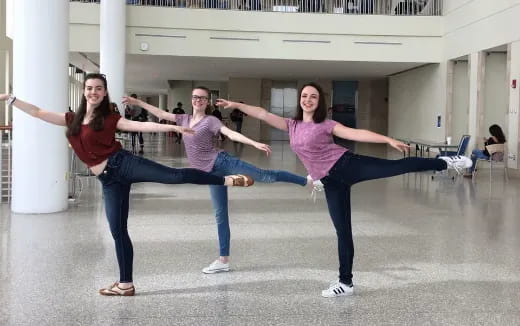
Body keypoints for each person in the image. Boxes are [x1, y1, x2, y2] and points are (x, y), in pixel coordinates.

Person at [0, 73, 254, 297]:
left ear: (104, 92)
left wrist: (171, 129)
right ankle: (125, 284)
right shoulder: (71, 119)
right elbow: (37, 112)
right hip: (108, 180)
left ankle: (225, 180)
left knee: (174, 176)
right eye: (89, 88)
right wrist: (12, 100)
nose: (93, 92)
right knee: (118, 230)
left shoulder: (109, 119)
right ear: (84, 91)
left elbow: (140, 125)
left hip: (124, 164)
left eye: (98, 88)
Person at [216, 82, 472, 297]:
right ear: (300, 100)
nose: (308, 100)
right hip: (331, 183)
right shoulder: (291, 125)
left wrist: (387, 139)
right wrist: (236, 105)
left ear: (319, 101)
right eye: (304, 96)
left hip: (348, 165)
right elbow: (261, 113)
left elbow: (357, 134)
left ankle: (446, 162)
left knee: (397, 167)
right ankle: (345, 282)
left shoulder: (326, 125)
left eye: (313, 96)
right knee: (343, 230)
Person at [123, 86, 310, 274]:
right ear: (191, 99)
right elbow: (160, 113)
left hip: (222, 162)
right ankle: (223, 260)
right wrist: (138, 102)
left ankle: (306, 181)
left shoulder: (211, 120)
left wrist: (253, 143)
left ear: (207, 102)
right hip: (209, 174)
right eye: (195, 97)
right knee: (220, 215)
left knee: (264, 176)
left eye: (202, 98)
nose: (198, 100)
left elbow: (230, 134)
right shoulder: (183, 119)